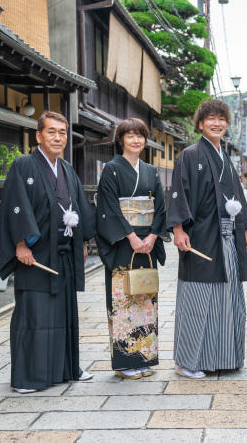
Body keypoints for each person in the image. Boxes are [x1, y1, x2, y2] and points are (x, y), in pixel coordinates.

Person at [0, 110, 96, 393]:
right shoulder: (23, 165)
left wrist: (82, 243)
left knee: (64, 314)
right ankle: (28, 377)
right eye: (51, 131)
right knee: (35, 316)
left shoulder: (66, 169)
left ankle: (66, 368)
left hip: (63, 253)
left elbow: (79, 207)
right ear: (38, 136)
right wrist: (20, 244)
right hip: (36, 255)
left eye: (62, 132)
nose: (57, 137)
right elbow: (15, 206)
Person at [167, 99, 247, 378]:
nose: (217, 123)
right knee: (198, 298)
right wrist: (178, 229)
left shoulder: (224, 157)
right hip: (201, 236)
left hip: (227, 238)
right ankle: (188, 362)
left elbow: (237, 196)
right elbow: (178, 191)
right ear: (201, 123)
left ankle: (223, 358)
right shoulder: (190, 154)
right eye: (211, 119)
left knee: (226, 298)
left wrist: (243, 229)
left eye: (221, 119)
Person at [96, 118, 168, 380]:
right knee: (123, 299)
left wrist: (153, 236)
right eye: (130, 136)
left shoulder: (151, 171)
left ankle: (143, 356)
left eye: (140, 136)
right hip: (123, 244)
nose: (136, 140)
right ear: (121, 140)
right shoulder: (111, 169)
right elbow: (109, 207)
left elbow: (160, 206)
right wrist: (132, 237)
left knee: (145, 297)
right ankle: (124, 362)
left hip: (147, 244)